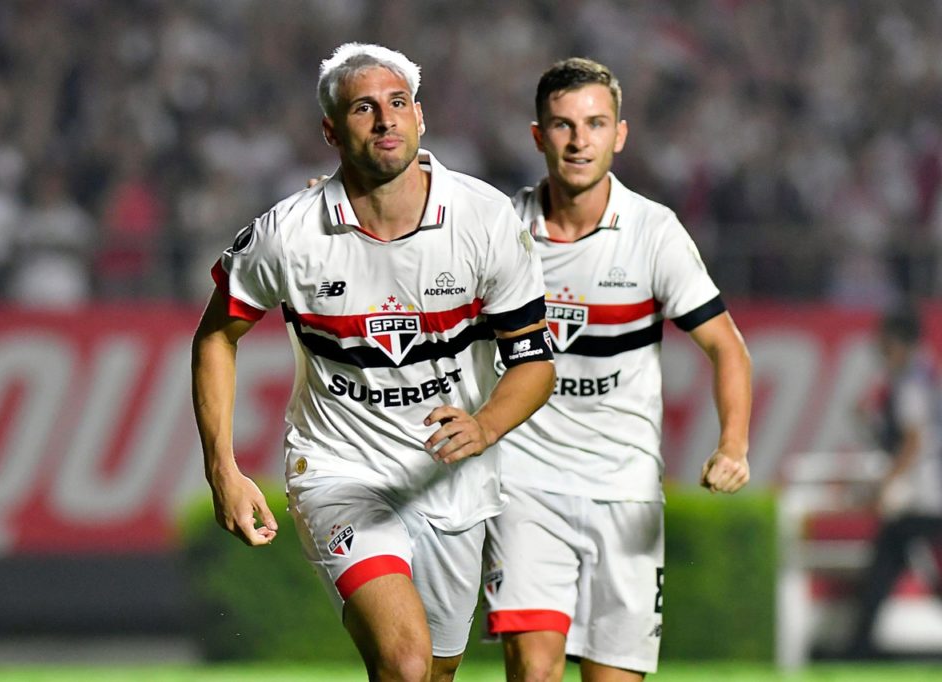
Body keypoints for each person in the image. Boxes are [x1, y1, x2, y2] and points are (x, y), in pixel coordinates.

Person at [191, 42, 556, 682]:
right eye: (365, 108)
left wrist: (487, 425)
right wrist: (221, 467)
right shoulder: (288, 233)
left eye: (397, 103)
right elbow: (216, 337)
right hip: (340, 472)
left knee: (432, 674)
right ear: (331, 130)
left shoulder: (485, 219)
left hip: (452, 480)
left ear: (420, 117)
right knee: (407, 662)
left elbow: (534, 361)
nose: (386, 120)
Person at [481, 58, 753, 681]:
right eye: (563, 125)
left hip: (625, 487)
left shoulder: (653, 232)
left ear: (620, 134)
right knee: (533, 667)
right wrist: (340, 205)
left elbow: (727, 347)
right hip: (525, 483)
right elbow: (413, 248)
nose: (579, 141)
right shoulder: (498, 229)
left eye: (595, 124)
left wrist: (733, 444)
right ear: (537, 135)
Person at [845, 305, 942, 659]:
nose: (880, 351)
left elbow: (915, 441)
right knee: (894, 564)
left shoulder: (911, 381)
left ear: (899, 342)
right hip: (926, 495)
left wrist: (887, 483)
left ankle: (858, 648)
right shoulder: (925, 373)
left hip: (924, 496)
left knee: (889, 564)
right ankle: (858, 646)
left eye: (884, 343)